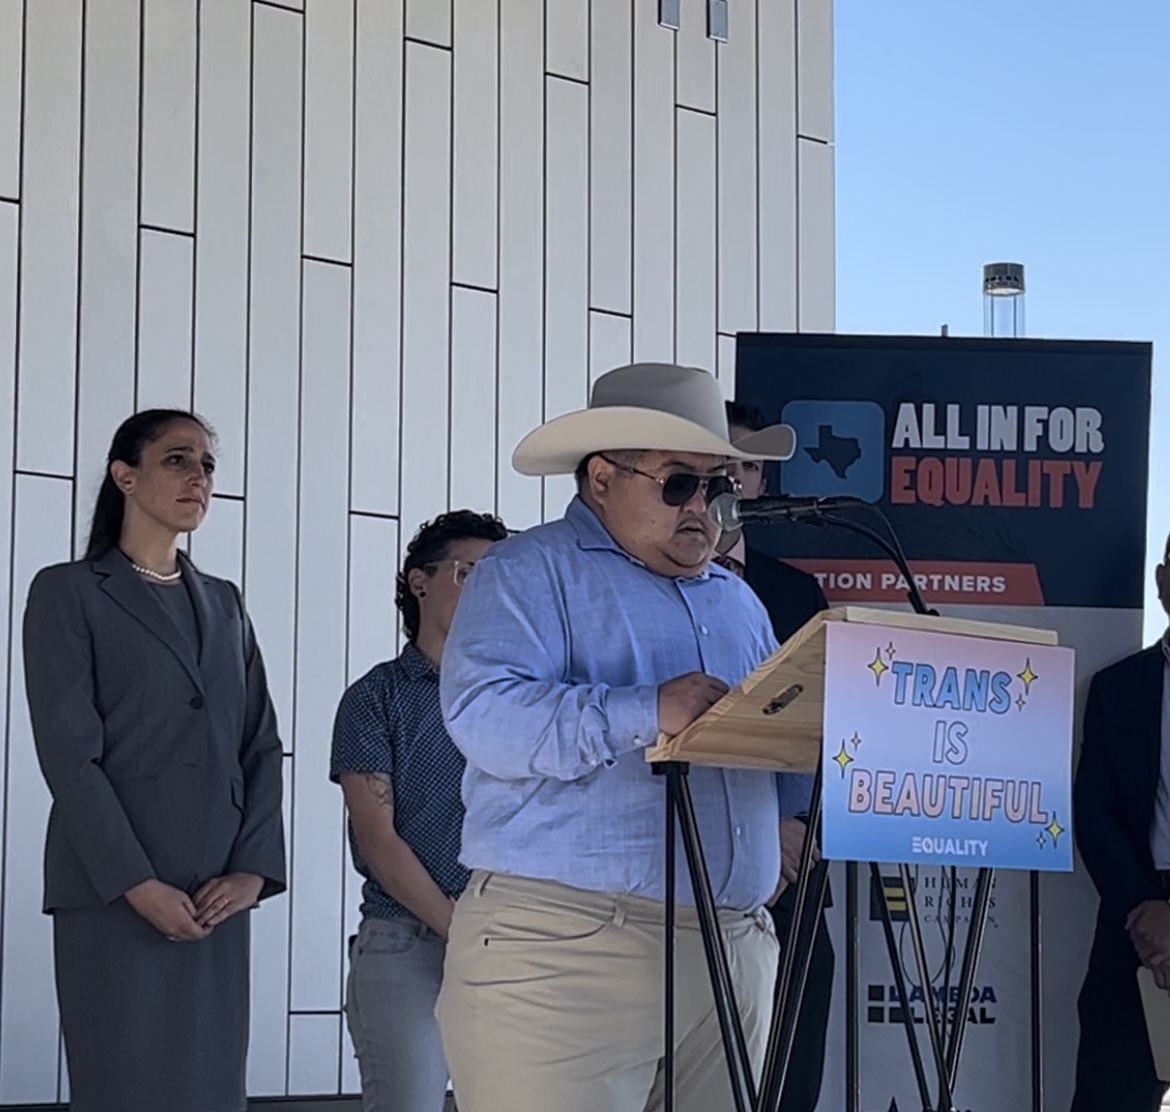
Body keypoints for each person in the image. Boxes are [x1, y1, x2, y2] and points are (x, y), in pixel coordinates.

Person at [435, 362, 811, 1112]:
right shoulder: (528, 571)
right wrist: (645, 710)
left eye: (719, 486)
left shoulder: (737, 602)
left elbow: (777, 727)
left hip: (734, 947)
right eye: (678, 483)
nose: (702, 506)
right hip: (568, 951)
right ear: (602, 477)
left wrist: (793, 817)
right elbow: (485, 718)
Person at [22, 409, 286, 1112]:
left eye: (207, 465)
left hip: (217, 896)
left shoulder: (225, 605)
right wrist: (138, 885)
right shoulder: (68, 592)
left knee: (211, 1089)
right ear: (125, 476)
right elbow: (69, 758)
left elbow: (260, 744)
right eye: (177, 459)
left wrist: (253, 872)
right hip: (114, 892)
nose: (199, 476)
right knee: (125, 1084)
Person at [332, 510, 509, 1112]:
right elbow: (378, 841)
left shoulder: (519, 698)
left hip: (511, 940)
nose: (485, 591)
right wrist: (460, 928)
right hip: (405, 942)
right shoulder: (375, 697)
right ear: (420, 581)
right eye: (468, 572)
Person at [720, 400, 834, 1112]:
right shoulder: (638, 583)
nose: (736, 477)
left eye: (751, 466)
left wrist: (795, 830)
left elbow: (823, 725)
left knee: (791, 1067)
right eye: (723, 460)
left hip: (790, 867)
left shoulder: (797, 591)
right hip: (679, 872)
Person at [1071, 532, 1170, 1112]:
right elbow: (1095, 815)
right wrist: (1151, 917)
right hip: (1136, 929)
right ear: (1162, 581)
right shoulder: (1117, 689)